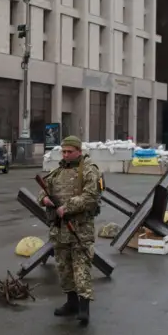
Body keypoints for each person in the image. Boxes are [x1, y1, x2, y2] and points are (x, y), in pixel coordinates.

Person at [38, 135, 101, 325]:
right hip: (59, 229)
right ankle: (71, 302)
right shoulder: (57, 172)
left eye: (69, 152)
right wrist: (45, 200)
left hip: (80, 229)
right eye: (63, 151)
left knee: (81, 268)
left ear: (79, 151)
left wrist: (67, 207)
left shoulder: (89, 171)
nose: (65, 155)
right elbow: (43, 190)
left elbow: (91, 197)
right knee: (64, 268)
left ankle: (84, 307)